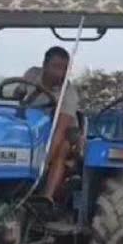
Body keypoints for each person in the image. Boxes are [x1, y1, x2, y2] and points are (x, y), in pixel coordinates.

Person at [18, 46, 81, 207]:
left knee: (62, 149)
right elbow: (16, 98)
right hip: (32, 126)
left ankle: (47, 197)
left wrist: (43, 162)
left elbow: (60, 130)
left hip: (62, 131)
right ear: (45, 65)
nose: (60, 73)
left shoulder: (68, 94)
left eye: (65, 68)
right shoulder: (32, 75)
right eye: (56, 67)